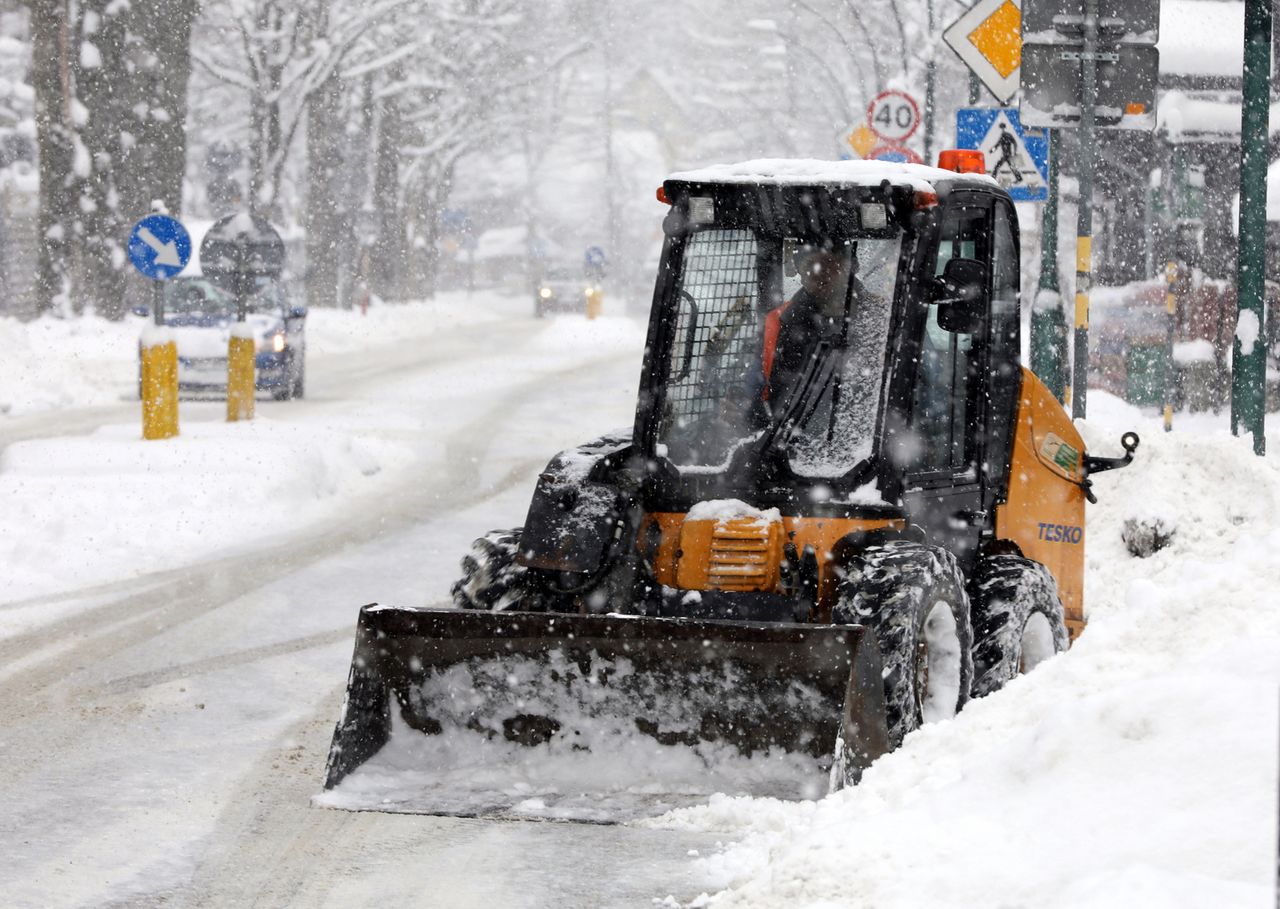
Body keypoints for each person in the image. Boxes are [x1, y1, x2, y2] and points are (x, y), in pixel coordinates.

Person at [760, 241, 860, 408]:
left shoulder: (882, 316)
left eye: (827, 264)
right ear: (799, 271)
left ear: (848, 268)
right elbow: (764, 392)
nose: (817, 273)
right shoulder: (779, 321)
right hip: (790, 426)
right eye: (809, 265)